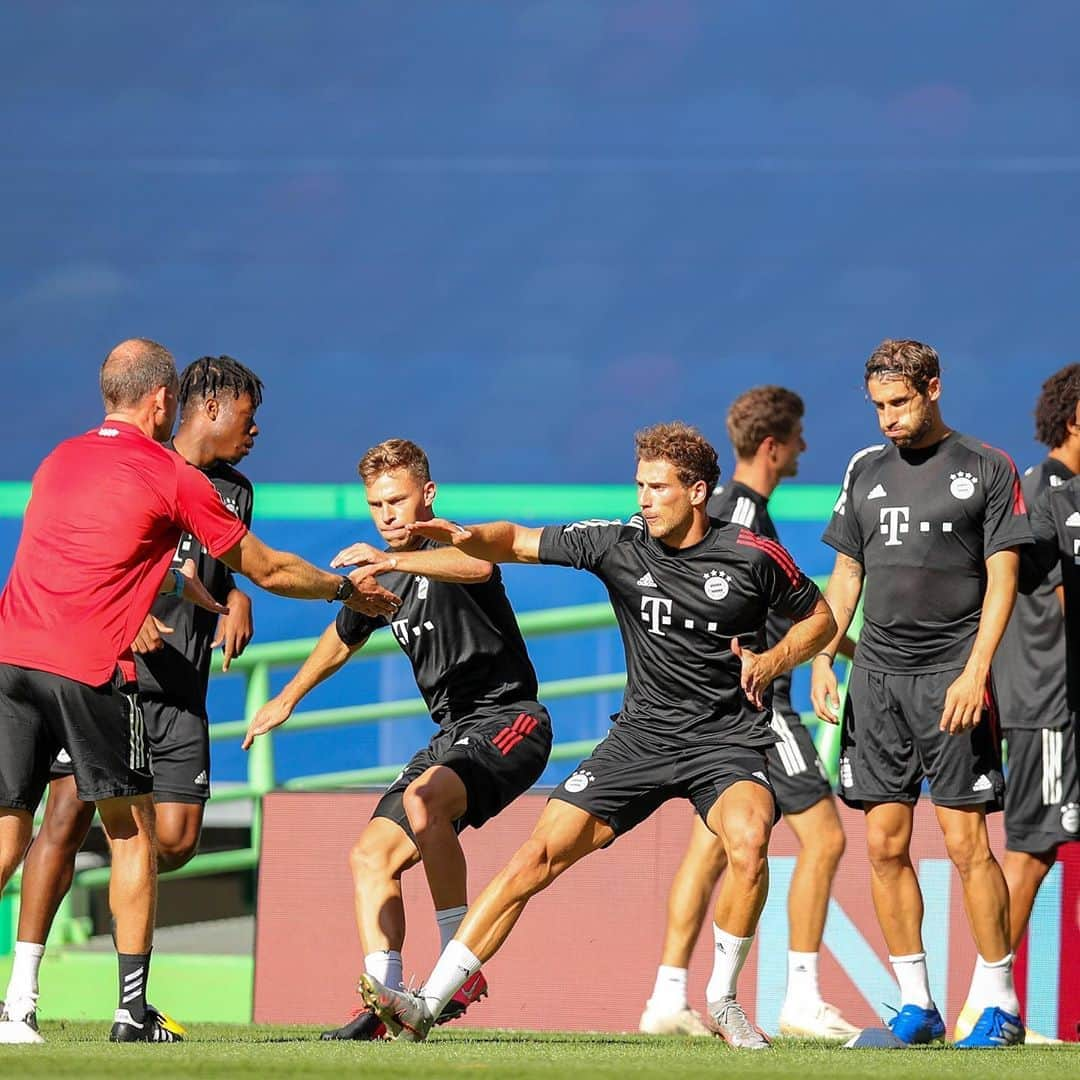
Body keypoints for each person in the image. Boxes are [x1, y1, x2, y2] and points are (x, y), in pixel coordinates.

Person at [358, 422, 836, 1047]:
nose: (644, 498)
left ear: (697, 492)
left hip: (725, 743)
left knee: (749, 840)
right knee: (535, 858)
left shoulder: (751, 553)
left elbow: (820, 617)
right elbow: (521, 541)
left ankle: (724, 1000)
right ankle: (426, 1004)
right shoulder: (617, 542)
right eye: (639, 484)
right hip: (639, 739)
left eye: (658, 487)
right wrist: (471, 538)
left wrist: (775, 661)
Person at [0, 339, 399, 1045]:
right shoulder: (170, 474)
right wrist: (345, 591)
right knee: (124, 833)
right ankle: (127, 1013)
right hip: (97, 667)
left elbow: (101, 550)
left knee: (25, 834)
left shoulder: (61, 458)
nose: (255, 430)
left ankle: (20, 1008)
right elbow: (272, 567)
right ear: (165, 402)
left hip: (16, 654)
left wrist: (221, 599)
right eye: (246, 415)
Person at [242, 438, 553, 1041]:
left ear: (427, 496)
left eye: (398, 501)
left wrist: (393, 562)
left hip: (511, 720)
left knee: (423, 800)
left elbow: (482, 567)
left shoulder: (451, 546)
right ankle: (384, 1002)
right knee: (369, 856)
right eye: (375, 504)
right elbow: (342, 636)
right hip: (453, 733)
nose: (386, 515)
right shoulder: (384, 574)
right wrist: (286, 698)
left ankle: (454, 965)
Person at [1, 355, 265, 1039]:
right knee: (63, 822)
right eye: (247, 411)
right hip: (109, 674)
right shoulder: (140, 466)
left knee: (170, 840)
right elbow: (103, 555)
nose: (256, 428)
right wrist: (127, 607)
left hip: (181, 687)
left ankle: (98, 865)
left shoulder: (234, 490)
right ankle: (29, 997)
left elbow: (224, 559)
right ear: (196, 405)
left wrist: (235, 595)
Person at [810, 339, 1032, 1049]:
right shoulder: (864, 470)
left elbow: (1003, 581)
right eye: (877, 406)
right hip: (875, 679)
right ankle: (917, 1005)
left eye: (899, 403)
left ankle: (999, 1005)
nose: (887, 420)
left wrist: (976, 671)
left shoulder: (987, 467)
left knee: (967, 843)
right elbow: (846, 575)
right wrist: (823, 656)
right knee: (882, 843)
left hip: (950, 680)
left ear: (933, 388)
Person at [640, 388, 857, 1041]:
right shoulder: (742, 520)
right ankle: (801, 998)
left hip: (717, 712)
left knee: (708, 848)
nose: (804, 450)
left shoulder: (721, 509)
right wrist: (859, 652)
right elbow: (797, 617)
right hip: (761, 708)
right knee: (824, 839)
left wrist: (828, 653)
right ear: (774, 446)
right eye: (797, 440)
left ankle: (667, 997)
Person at [951, 365, 1080, 1044]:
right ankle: (987, 1001)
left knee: (1043, 844)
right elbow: (1048, 594)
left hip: (1051, 700)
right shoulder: (1045, 494)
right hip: (1047, 701)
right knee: (1033, 849)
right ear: (1074, 417)